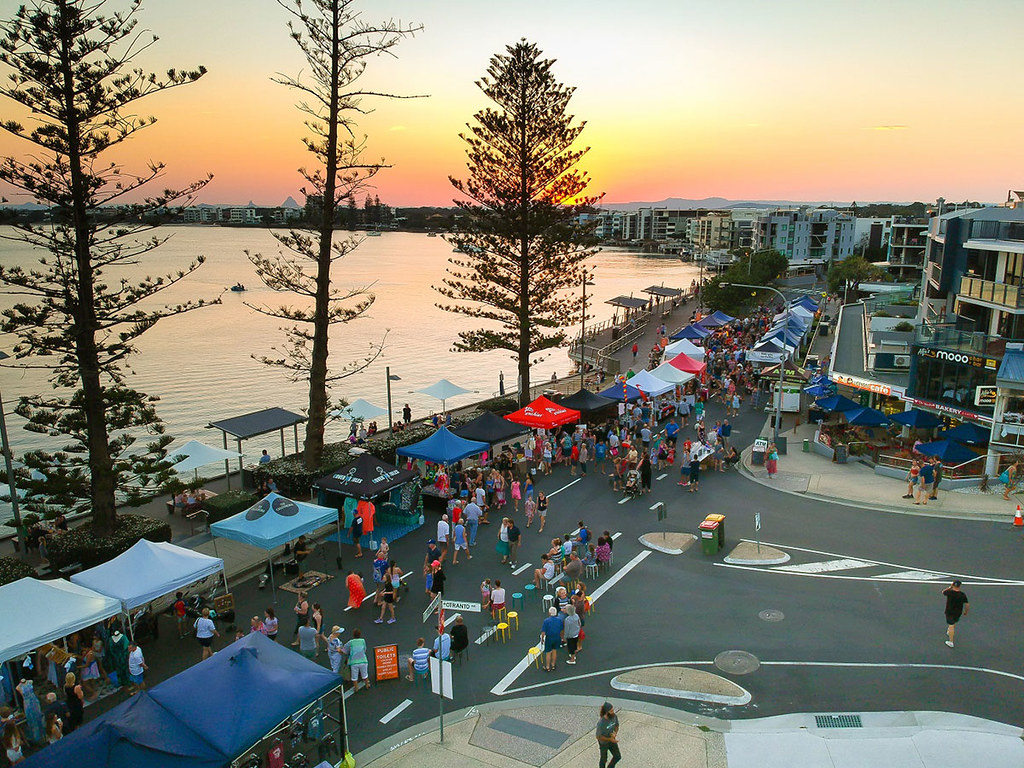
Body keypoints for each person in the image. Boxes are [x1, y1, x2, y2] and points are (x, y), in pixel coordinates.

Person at [942, 580, 969, 648]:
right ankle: (950, 632)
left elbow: (943, 592)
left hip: (949, 611)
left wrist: (950, 587)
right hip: (958, 612)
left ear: (953, 584)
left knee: (951, 625)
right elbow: (967, 604)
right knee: (953, 623)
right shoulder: (962, 594)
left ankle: (951, 641)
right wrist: (966, 611)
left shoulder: (949, 592)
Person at [596, 701, 621, 768]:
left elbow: (616, 726)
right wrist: (610, 739)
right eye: (611, 710)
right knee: (604, 759)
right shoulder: (601, 723)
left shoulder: (614, 716)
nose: (613, 711)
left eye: (613, 710)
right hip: (604, 743)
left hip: (611, 739)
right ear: (607, 712)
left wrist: (615, 733)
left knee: (617, 756)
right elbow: (598, 736)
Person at [541, 606, 564, 672]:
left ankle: (547, 666)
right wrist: (562, 637)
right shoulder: (559, 620)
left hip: (549, 638)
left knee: (548, 652)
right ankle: (553, 664)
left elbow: (543, 632)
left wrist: (542, 639)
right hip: (557, 637)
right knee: (554, 651)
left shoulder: (546, 621)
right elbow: (562, 629)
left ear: (549, 613)